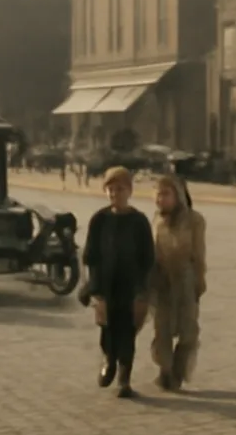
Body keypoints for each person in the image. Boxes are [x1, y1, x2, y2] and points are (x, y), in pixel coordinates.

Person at [82, 167, 155, 399]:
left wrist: (142, 290)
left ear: (130, 191)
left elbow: (147, 258)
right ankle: (109, 361)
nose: (115, 194)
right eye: (111, 189)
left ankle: (124, 376)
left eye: (120, 189)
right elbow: (91, 257)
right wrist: (95, 291)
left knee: (128, 330)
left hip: (130, 287)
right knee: (107, 328)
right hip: (105, 286)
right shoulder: (100, 220)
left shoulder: (139, 221)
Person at [150, 174, 207, 391]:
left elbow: (199, 254)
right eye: (157, 194)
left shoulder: (195, 221)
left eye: (165, 194)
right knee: (162, 330)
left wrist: (199, 282)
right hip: (162, 281)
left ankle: (179, 370)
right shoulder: (156, 220)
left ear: (178, 196)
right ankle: (165, 371)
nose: (160, 199)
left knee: (188, 331)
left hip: (186, 279)